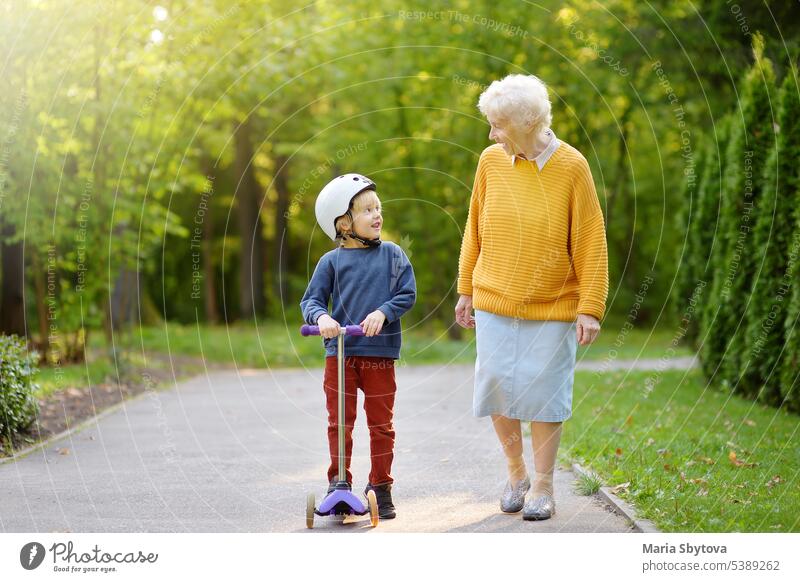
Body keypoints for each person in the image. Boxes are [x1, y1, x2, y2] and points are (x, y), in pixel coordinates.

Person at [454, 74, 609, 521]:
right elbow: (475, 226)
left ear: (527, 121)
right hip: (494, 297)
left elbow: (590, 240)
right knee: (497, 385)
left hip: (554, 303)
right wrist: (465, 288)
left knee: (544, 393)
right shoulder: (490, 161)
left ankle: (543, 484)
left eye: (498, 125)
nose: (491, 134)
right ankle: (517, 473)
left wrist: (590, 307)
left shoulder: (572, 166)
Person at [300, 173, 416, 519]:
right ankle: (339, 484)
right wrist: (322, 319)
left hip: (379, 355)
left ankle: (381, 485)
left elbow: (407, 294)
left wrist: (384, 312)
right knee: (340, 423)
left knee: (381, 424)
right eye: (367, 210)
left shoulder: (393, 255)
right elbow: (312, 301)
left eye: (377, 208)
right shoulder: (330, 262)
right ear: (343, 222)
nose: (377, 215)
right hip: (340, 355)